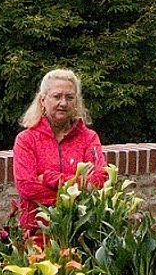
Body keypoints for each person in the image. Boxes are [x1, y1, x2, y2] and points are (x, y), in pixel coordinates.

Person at [12, 68, 108, 233]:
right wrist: (77, 193)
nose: (63, 103)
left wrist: (49, 178)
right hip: (37, 232)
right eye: (57, 96)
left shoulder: (89, 138)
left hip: (81, 232)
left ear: (76, 102)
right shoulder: (26, 140)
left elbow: (99, 180)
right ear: (43, 100)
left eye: (69, 97)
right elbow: (27, 187)